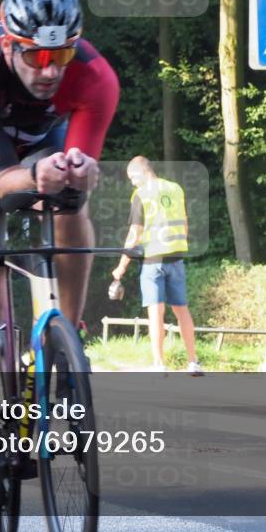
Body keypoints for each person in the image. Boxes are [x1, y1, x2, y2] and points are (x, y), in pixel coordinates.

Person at [0, 0, 119, 532]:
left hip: (42, 143)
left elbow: (78, 172)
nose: (49, 70)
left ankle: (68, 334)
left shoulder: (95, 79)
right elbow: (8, 184)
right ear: (10, 46)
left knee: (70, 197)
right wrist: (34, 175)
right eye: (35, 55)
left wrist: (77, 173)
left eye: (61, 53)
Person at [111, 156, 202, 376]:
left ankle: (159, 364)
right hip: (176, 258)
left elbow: (135, 233)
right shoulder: (175, 189)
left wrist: (121, 267)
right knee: (182, 310)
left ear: (143, 172)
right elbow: (185, 223)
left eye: (133, 177)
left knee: (155, 311)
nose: (132, 182)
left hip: (153, 260)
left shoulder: (141, 195)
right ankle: (193, 362)